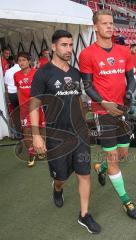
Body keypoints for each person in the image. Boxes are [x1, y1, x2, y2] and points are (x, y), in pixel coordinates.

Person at [30, 30, 101, 234]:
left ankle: (84, 215)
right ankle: (57, 187)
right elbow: (34, 106)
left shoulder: (75, 73)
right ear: (53, 47)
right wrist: (36, 135)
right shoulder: (43, 74)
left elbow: (78, 100)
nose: (69, 49)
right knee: (62, 176)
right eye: (64, 45)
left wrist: (85, 123)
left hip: (78, 132)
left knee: (84, 173)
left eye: (71, 45)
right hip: (57, 136)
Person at [79, 10, 136, 220]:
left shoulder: (124, 51)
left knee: (122, 153)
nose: (109, 27)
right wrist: (103, 102)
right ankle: (127, 202)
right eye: (104, 23)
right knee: (113, 157)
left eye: (111, 23)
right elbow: (87, 85)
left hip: (121, 110)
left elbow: (130, 78)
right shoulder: (87, 54)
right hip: (102, 111)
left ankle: (100, 167)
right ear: (95, 27)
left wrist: (130, 91)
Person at [14, 52, 45, 167]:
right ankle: (31, 154)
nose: (21, 62)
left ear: (29, 61)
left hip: (37, 106)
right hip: (24, 108)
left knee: (40, 129)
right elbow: (18, 90)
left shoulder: (37, 73)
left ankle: (41, 149)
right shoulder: (16, 75)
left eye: (23, 60)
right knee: (26, 131)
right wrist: (20, 104)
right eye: (19, 60)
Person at [4, 56, 21, 138]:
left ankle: (19, 133)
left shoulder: (8, 71)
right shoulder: (21, 70)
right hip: (20, 93)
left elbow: (6, 84)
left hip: (12, 94)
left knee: (16, 113)